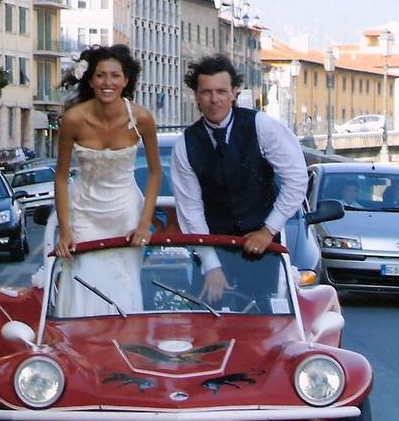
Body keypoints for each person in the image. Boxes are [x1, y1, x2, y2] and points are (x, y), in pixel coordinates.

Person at [171, 55, 308, 303]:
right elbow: (190, 208)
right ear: (196, 95)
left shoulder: (261, 126)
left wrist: (268, 230)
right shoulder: (185, 144)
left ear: (234, 92)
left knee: (262, 323)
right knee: (207, 326)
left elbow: (297, 179)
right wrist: (211, 265)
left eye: (222, 91)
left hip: (263, 249)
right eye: (207, 92)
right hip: (212, 247)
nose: (215, 99)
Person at [52, 45, 162, 317]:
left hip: (125, 211)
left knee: (122, 283)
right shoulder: (73, 120)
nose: (108, 82)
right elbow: (61, 177)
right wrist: (65, 230)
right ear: (90, 80)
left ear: (126, 80)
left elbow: (155, 172)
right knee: (83, 279)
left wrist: (143, 224)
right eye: (101, 75)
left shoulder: (143, 119)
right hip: (85, 211)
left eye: (115, 75)